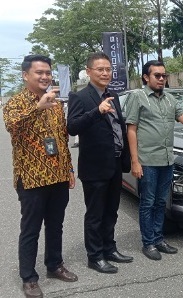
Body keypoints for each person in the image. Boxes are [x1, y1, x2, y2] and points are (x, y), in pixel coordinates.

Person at [3, 54, 78, 298]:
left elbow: (61, 140)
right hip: (32, 178)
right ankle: (29, 277)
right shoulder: (15, 103)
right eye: (39, 73)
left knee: (56, 225)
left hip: (57, 176)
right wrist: (37, 108)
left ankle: (54, 265)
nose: (45, 77)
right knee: (31, 229)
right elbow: (12, 126)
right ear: (26, 75)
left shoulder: (56, 104)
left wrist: (69, 170)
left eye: (48, 72)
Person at [125, 60, 183, 260]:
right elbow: (131, 129)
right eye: (157, 75)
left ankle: (159, 239)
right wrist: (135, 161)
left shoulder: (170, 99)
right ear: (146, 77)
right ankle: (148, 242)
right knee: (147, 202)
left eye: (164, 76)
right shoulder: (138, 97)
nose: (161, 79)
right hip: (147, 160)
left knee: (161, 202)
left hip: (167, 160)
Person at [67, 52, 133, 273]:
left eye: (108, 69)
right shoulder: (80, 97)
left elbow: (118, 127)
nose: (105, 73)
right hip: (94, 167)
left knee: (111, 210)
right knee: (95, 214)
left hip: (114, 163)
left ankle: (109, 248)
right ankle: (94, 256)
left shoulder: (112, 94)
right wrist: (97, 111)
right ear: (89, 72)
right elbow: (73, 127)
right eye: (100, 69)